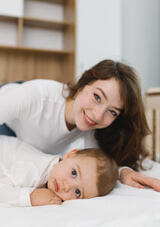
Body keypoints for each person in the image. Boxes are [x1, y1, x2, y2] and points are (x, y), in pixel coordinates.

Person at [0, 59, 160, 191]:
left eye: (112, 112)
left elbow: (95, 165)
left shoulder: (90, 126)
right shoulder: (35, 95)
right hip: (6, 122)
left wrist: (123, 172)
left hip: (25, 142)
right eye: (97, 97)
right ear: (82, 85)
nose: (97, 115)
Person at [0, 135, 118, 207]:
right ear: (69, 155)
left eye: (77, 192)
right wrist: (30, 197)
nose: (67, 186)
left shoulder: (55, 171)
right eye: (74, 173)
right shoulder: (34, 170)